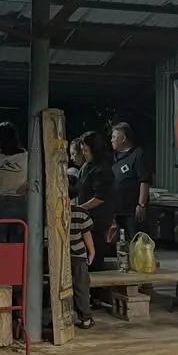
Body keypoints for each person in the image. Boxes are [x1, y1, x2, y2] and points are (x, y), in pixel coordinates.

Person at [76, 131, 114, 274]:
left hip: (97, 221)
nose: (84, 153)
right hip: (85, 219)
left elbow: (100, 197)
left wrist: (80, 208)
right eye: (82, 150)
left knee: (95, 257)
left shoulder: (103, 169)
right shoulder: (86, 167)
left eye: (86, 150)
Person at [110, 122, 152, 240]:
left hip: (132, 210)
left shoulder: (137, 154)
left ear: (123, 138)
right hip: (117, 210)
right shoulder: (114, 157)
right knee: (120, 243)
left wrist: (141, 204)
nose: (111, 140)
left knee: (135, 242)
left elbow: (144, 180)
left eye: (114, 137)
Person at [69, 199, 96, 329]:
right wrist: (92, 251)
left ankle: (60, 317)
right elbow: (86, 234)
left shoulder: (52, 210)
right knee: (81, 286)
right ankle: (85, 319)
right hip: (78, 255)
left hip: (58, 256)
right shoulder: (81, 213)